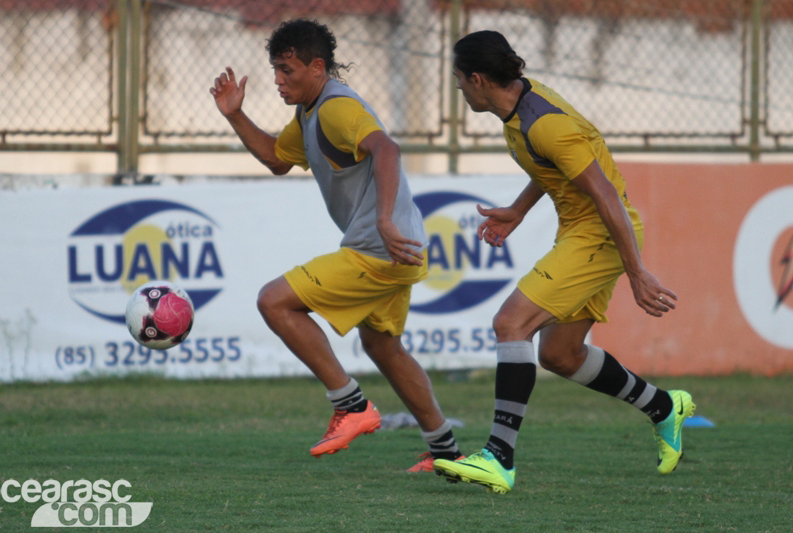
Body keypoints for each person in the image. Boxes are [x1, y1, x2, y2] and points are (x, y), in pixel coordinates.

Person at [433, 30, 695, 493]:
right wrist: (517, 210)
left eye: (459, 80)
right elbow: (553, 167)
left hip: (600, 233)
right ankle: (663, 407)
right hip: (583, 231)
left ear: (477, 78)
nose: (458, 90)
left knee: (510, 324)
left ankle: (498, 456)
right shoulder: (521, 108)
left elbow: (606, 194)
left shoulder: (544, 122)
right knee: (559, 354)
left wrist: (636, 272)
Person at [209, 19, 462, 472]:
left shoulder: (335, 109)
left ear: (317, 67)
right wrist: (234, 114)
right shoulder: (309, 112)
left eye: (287, 70)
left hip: (380, 247)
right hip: (397, 246)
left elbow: (386, 149)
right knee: (383, 347)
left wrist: (383, 219)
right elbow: (275, 159)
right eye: (275, 70)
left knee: (274, 302)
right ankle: (445, 451)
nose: (277, 80)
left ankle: (351, 406)